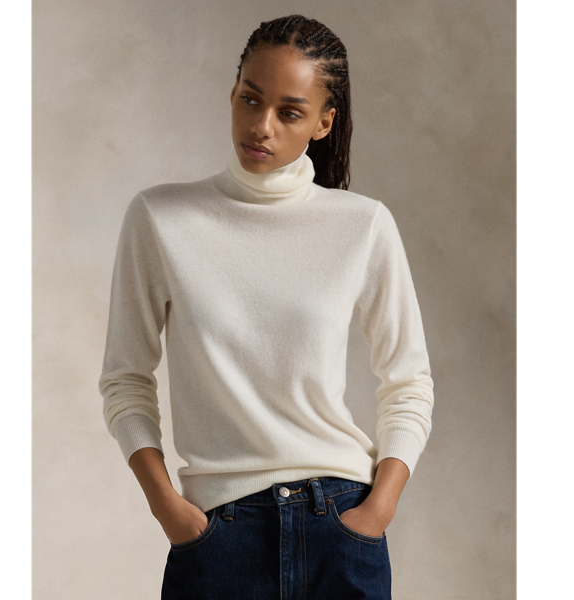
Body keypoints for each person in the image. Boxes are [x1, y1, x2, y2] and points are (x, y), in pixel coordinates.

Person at [99, 14, 433, 600]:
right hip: (218, 537)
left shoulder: (363, 225)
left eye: (289, 112)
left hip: (340, 526)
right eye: (250, 99)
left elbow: (408, 382)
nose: (261, 126)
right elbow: (125, 380)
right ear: (232, 92)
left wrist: (378, 508)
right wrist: (168, 508)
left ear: (324, 122)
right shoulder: (160, 218)